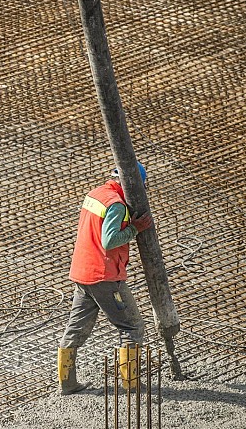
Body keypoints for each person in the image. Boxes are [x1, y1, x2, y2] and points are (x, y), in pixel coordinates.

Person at [58, 161, 154, 394]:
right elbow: (109, 240)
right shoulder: (117, 205)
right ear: (133, 185)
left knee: (76, 328)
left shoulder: (95, 194)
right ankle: (131, 385)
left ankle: (67, 384)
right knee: (131, 326)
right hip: (104, 275)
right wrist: (135, 229)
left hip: (83, 272)